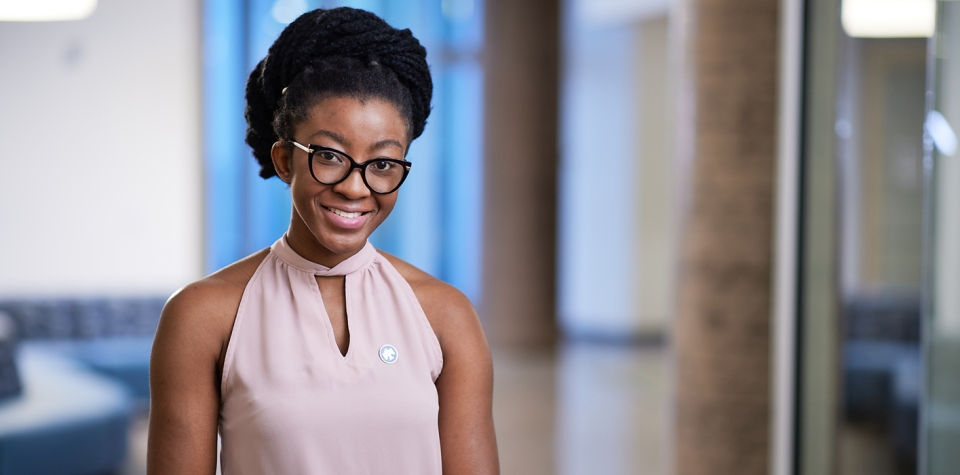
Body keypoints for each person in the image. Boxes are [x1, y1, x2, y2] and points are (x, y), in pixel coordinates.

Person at [147, 7, 498, 474]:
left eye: (383, 163)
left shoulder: (446, 316)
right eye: (330, 156)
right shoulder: (201, 317)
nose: (356, 187)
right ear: (285, 160)